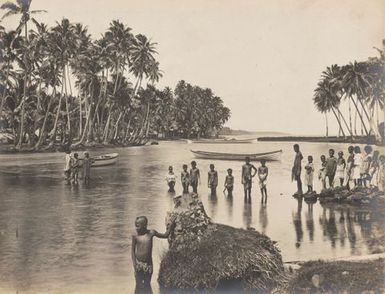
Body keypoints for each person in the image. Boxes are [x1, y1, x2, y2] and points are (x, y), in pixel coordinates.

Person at [131, 216, 175, 293]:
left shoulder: (151, 233)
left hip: (148, 264)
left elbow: (165, 235)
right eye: (135, 225)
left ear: (144, 225)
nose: (136, 228)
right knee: (138, 285)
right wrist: (135, 264)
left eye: (138, 226)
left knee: (147, 285)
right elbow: (132, 251)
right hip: (138, 264)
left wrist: (171, 226)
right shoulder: (135, 236)